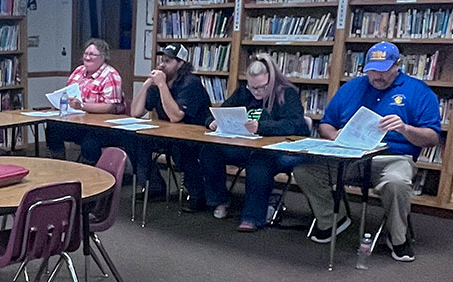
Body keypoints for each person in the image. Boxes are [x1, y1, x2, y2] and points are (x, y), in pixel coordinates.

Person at [294, 42, 440, 262]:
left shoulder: (418, 91)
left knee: (396, 183)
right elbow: (326, 124)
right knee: (305, 171)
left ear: (397, 66)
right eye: (372, 71)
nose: (377, 77)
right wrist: (336, 136)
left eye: (383, 71)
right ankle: (333, 220)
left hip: (393, 157)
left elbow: (432, 138)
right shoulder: (351, 88)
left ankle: (398, 238)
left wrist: (405, 128)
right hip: (350, 155)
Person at [199, 54, 309, 231]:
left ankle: (252, 217)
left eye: (262, 87)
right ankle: (220, 200)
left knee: (259, 161)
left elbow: (296, 125)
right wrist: (211, 122)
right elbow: (221, 111)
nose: (257, 92)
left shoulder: (287, 94)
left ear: (272, 80)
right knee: (209, 151)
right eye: (253, 87)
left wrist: (261, 127)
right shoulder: (244, 92)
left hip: (274, 150)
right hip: (244, 145)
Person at [129, 43, 211, 206]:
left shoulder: (190, 83)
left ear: (180, 64)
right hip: (167, 133)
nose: (161, 65)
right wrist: (146, 85)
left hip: (195, 136)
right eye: (161, 60)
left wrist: (161, 85)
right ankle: (154, 187)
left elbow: (176, 116)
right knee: (135, 140)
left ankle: (197, 193)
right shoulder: (160, 82)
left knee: (181, 149)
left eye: (167, 61)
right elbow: (136, 112)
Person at [45, 38, 124, 163]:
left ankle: (90, 173)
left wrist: (82, 106)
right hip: (79, 122)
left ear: (103, 57)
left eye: (92, 54)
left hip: (103, 127)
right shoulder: (79, 71)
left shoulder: (110, 75)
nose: (87, 57)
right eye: (86, 54)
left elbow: (110, 107)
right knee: (53, 128)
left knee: (90, 141)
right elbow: (68, 92)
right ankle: (59, 164)